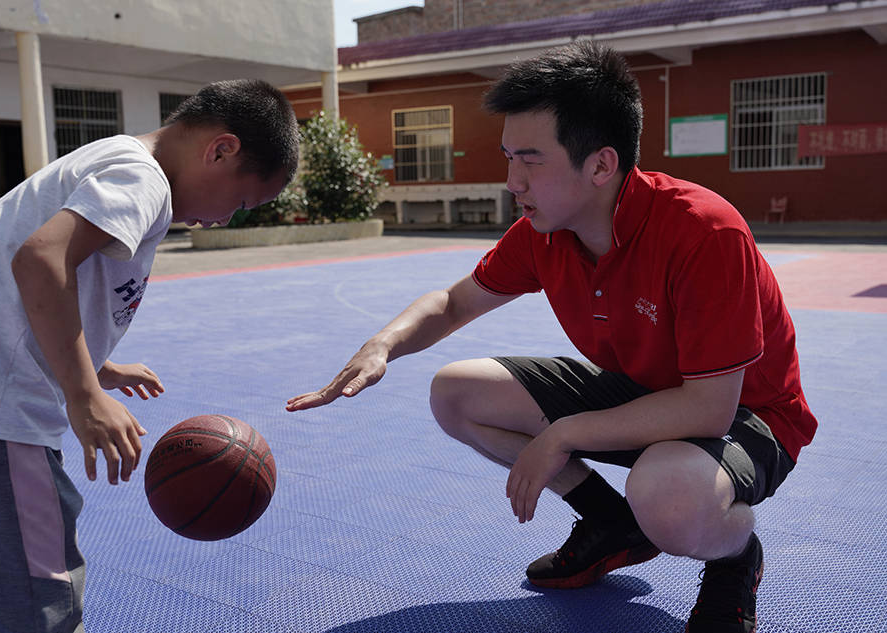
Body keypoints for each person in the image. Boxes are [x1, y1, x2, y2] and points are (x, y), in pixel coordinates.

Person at [287, 41, 816, 632]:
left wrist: (565, 433)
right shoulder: (543, 232)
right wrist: (383, 344)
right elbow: (453, 302)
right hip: (642, 390)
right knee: (455, 393)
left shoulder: (703, 233)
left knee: (668, 494)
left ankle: (734, 558)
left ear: (600, 164)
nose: (513, 180)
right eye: (509, 156)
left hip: (747, 413)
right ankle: (607, 521)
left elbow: (708, 409)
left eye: (532, 160)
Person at [0, 78, 299, 633]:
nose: (226, 218)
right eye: (242, 200)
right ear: (221, 149)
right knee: (36, 604)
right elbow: (40, 261)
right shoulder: (142, 179)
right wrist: (83, 396)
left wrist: (98, 365)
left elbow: (15, 278)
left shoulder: (118, 159)